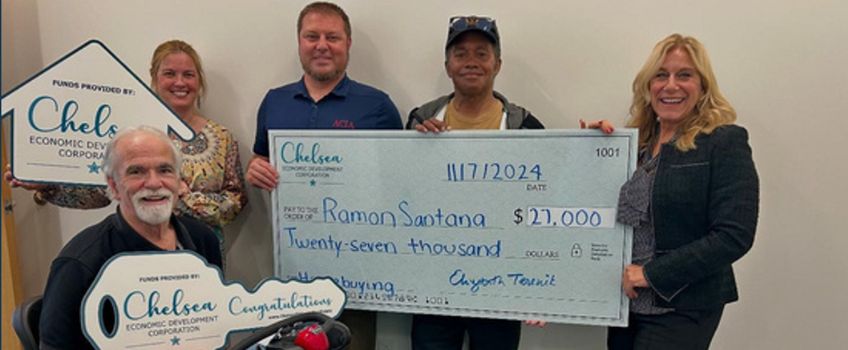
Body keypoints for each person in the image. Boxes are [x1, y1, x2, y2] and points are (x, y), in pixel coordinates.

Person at [244, 2, 402, 349]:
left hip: (360, 268)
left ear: (348, 44)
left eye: (333, 37)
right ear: (299, 42)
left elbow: (399, 179)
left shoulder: (377, 105)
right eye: (312, 36)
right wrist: (255, 168)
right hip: (293, 268)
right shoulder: (275, 101)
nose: (322, 45)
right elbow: (261, 157)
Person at [4, 40, 247, 263]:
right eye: (169, 74)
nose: (180, 82)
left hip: (202, 254)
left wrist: (184, 197)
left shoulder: (222, 138)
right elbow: (101, 193)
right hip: (135, 253)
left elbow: (235, 203)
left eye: (188, 75)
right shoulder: (127, 139)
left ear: (199, 81)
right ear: (154, 78)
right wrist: (46, 185)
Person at [608, 33, 759, 350]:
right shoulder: (635, 147)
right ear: (648, 86)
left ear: (703, 86)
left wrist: (651, 274)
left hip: (684, 305)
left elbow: (734, 235)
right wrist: (592, 149)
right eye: (661, 75)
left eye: (685, 75)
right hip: (625, 305)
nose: (671, 85)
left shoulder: (723, 142)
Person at [407, 15, 544, 350]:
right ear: (448, 65)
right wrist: (414, 146)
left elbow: (544, 205)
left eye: (481, 53)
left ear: (497, 64)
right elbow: (400, 196)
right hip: (432, 283)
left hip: (502, 283)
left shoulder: (525, 126)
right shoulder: (420, 120)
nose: (471, 62)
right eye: (461, 53)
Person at [38, 126, 223, 349]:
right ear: (114, 186)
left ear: (178, 181)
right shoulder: (80, 262)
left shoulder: (203, 240)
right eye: (136, 172)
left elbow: (214, 325)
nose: (154, 183)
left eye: (165, 170)